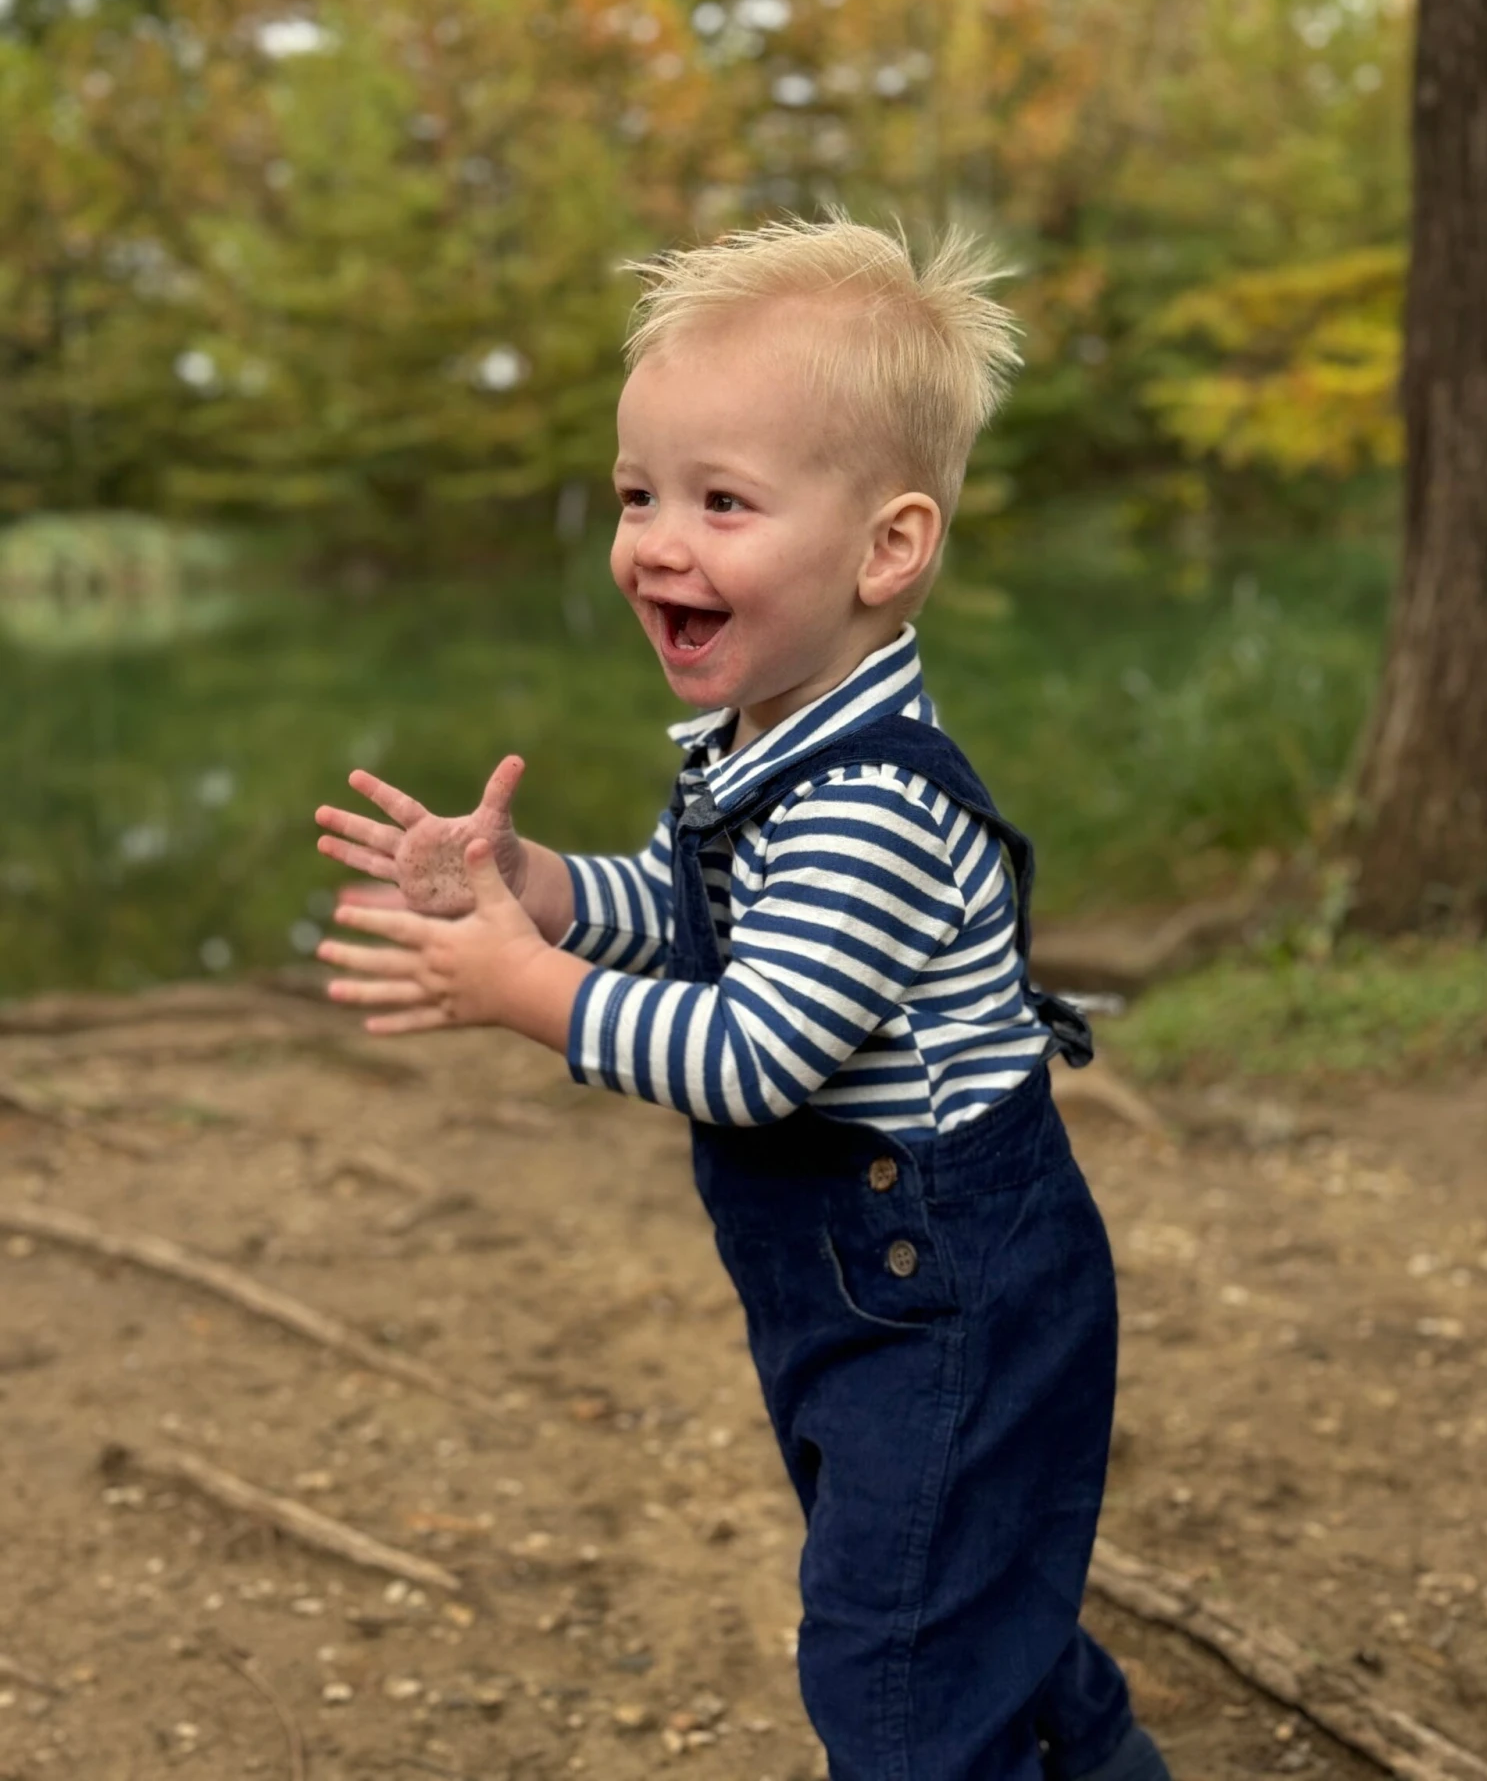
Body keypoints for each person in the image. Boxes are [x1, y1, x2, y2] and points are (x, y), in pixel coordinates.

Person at [313, 214, 1172, 1781]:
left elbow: (759, 1051)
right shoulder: (759, 753)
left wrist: (526, 989)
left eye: (722, 501)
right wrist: (540, 894)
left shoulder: (867, 806)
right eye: (640, 494)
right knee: (961, 1605)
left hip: (949, 1288)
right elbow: (697, 927)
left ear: (887, 548)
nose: (654, 540)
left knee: (898, 1669)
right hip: (862, 1290)